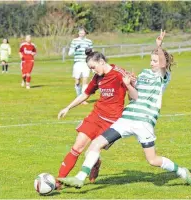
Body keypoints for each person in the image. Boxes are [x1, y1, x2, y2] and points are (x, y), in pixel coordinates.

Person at [58, 30, 191, 187]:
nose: (152, 63)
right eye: (151, 60)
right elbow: (134, 97)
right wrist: (129, 84)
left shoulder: (162, 76)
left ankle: (182, 172)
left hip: (144, 122)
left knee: (152, 160)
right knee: (95, 144)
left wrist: (159, 46)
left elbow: (162, 64)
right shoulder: (144, 73)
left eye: (155, 61)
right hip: (126, 119)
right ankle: (79, 178)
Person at [56, 48, 136, 189]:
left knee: (90, 152)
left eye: (93, 67)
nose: (93, 71)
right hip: (96, 116)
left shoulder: (119, 73)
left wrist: (131, 84)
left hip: (112, 122)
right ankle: (58, 181)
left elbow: (133, 95)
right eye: (90, 69)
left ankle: (96, 162)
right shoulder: (97, 77)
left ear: (101, 61)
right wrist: (68, 107)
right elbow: (85, 94)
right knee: (77, 147)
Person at [68, 27, 93, 105]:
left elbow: (91, 53)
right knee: (77, 81)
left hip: (86, 63)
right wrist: (75, 48)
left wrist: (92, 63)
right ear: (78, 33)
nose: (81, 34)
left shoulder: (89, 41)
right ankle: (78, 96)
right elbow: (70, 53)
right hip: (78, 63)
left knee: (85, 80)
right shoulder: (74, 41)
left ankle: (82, 99)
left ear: (85, 33)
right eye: (80, 33)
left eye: (82, 33)